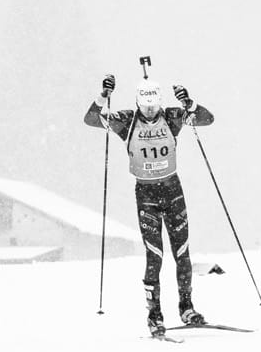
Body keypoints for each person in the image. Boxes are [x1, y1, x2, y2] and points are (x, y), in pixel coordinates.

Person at [85, 75, 215, 335]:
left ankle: (187, 307)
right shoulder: (126, 121)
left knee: (182, 252)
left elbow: (206, 118)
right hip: (146, 194)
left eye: (154, 107)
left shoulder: (172, 116)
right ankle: (154, 315)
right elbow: (91, 119)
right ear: (137, 103)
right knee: (154, 255)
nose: (150, 112)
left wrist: (188, 102)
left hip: (173, 191)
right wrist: (103, 96)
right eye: (146, 108)